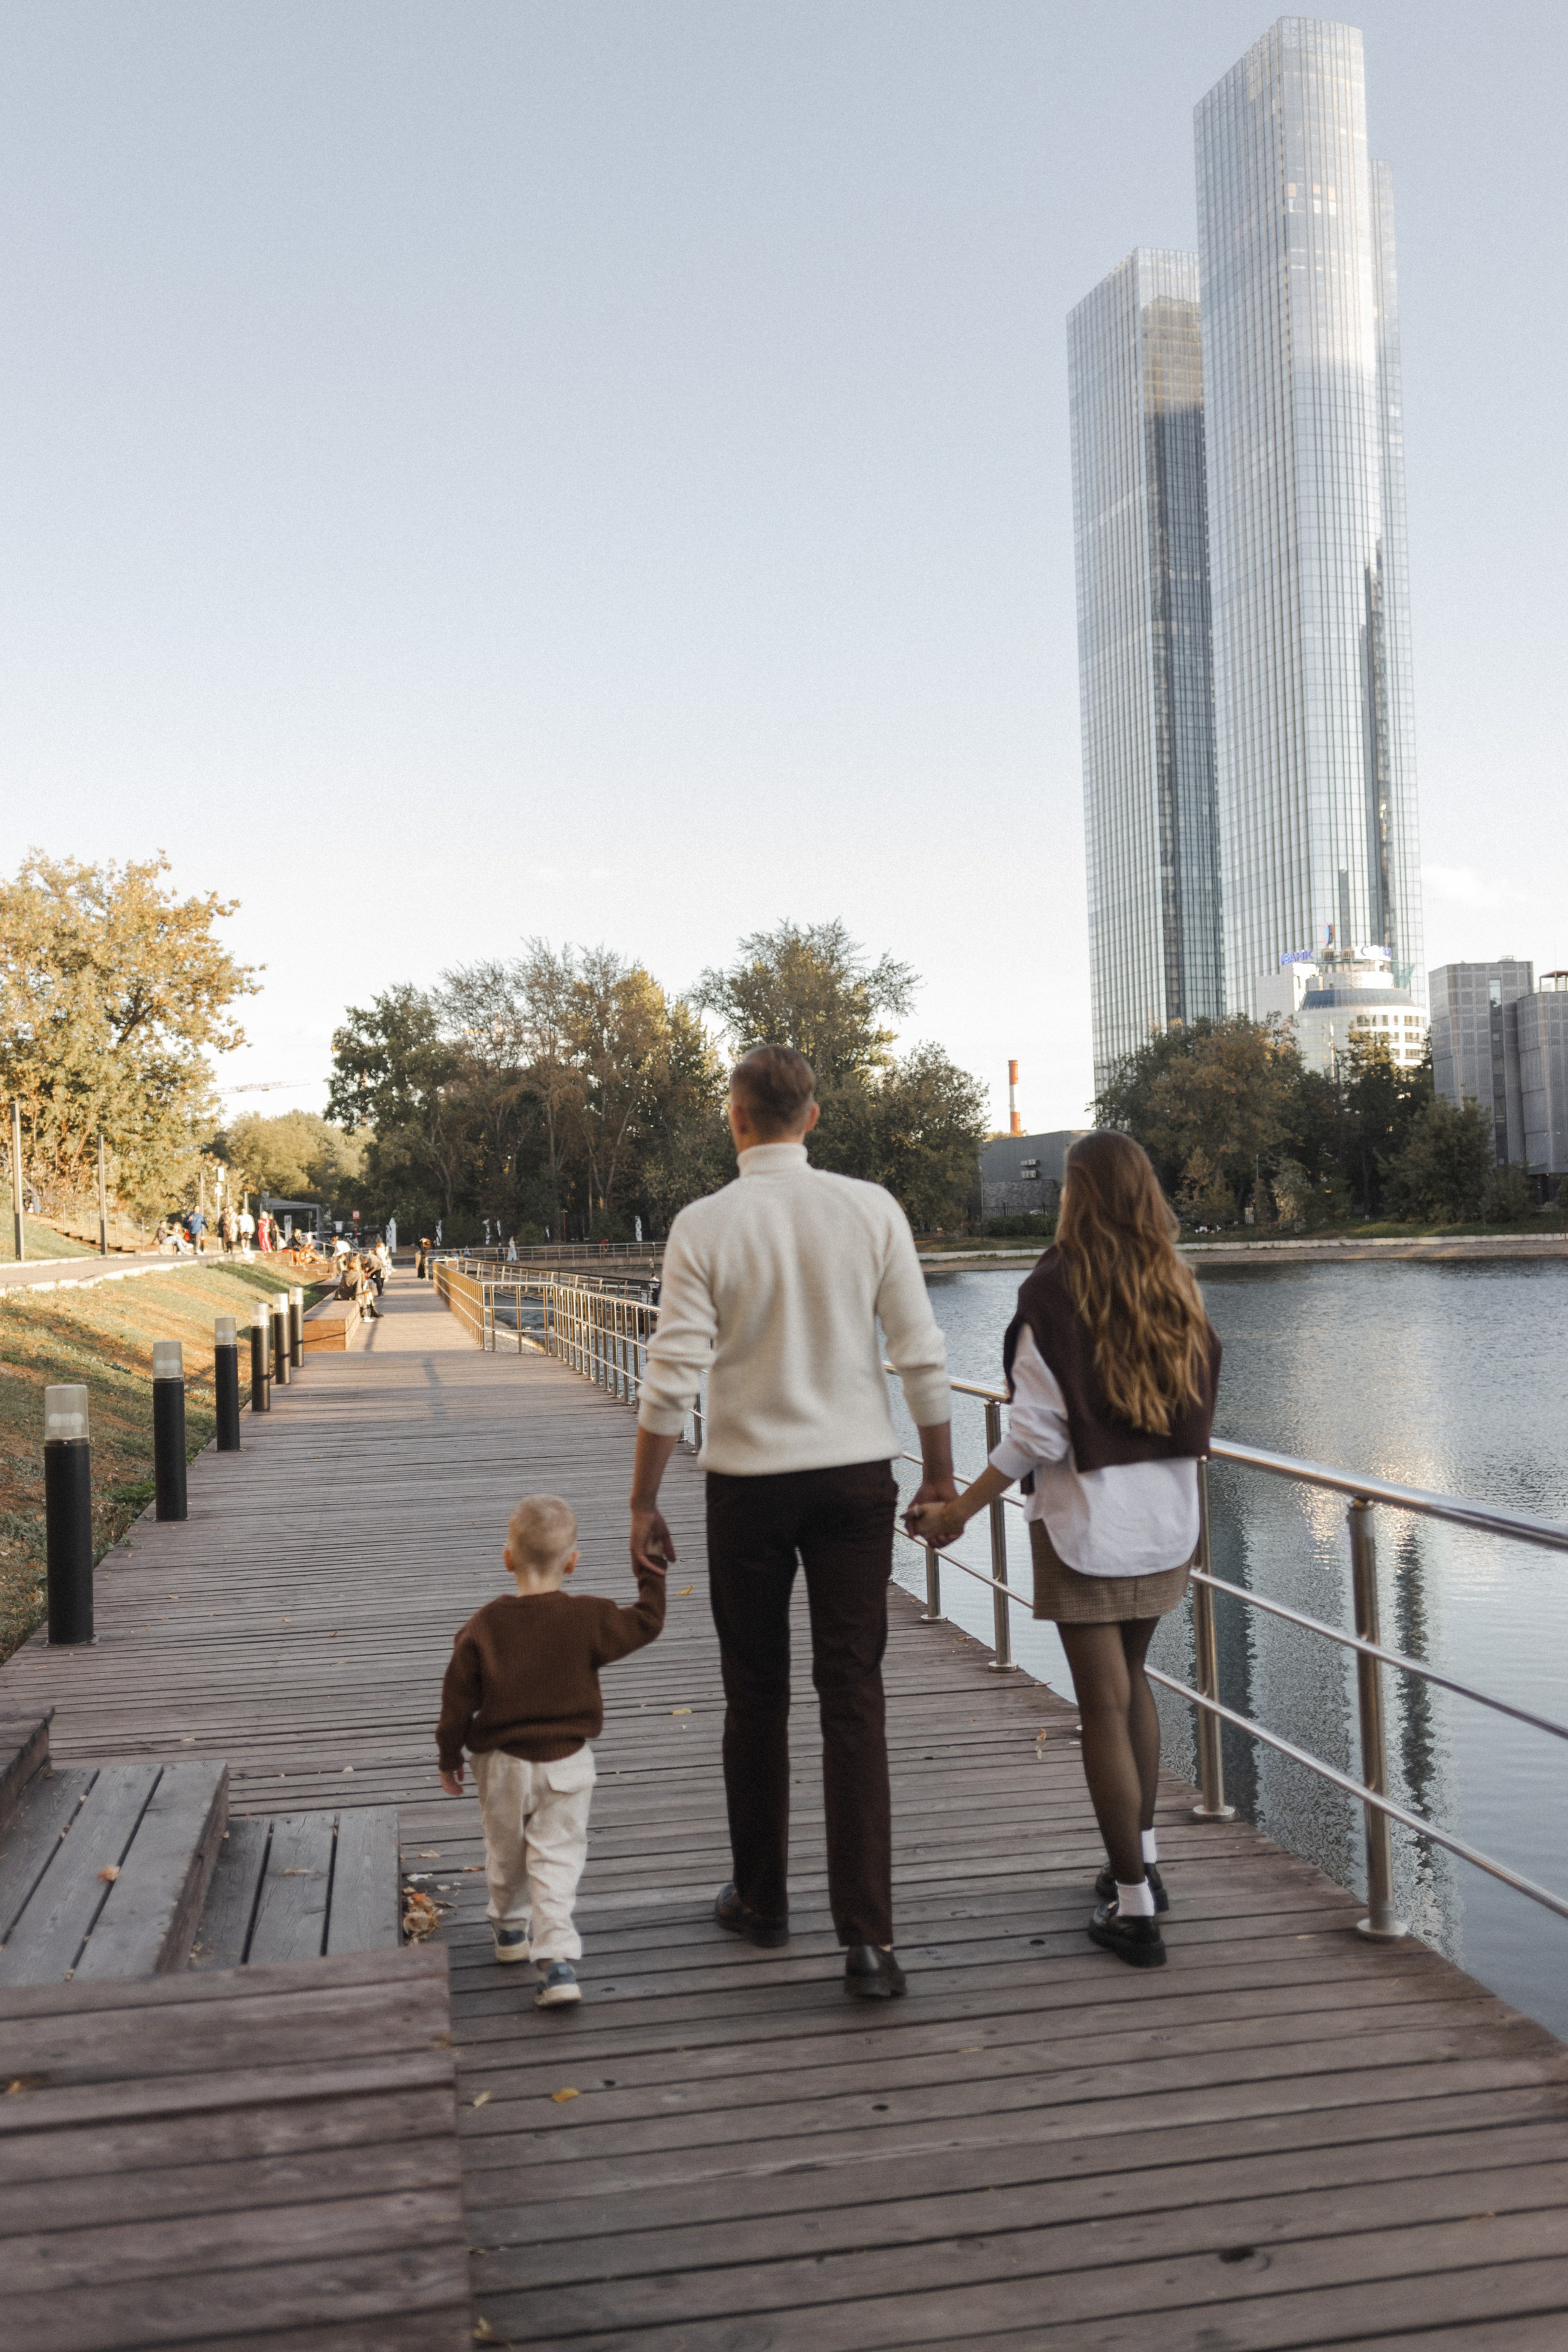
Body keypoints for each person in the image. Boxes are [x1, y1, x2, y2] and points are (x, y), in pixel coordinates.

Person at [629, 1044, 956, 2002]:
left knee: (756, 1692)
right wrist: (939, 1475)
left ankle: (764, 1899)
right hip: (857, 1479)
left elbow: (673, 1371)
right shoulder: (870, 1209)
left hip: (747, 1487)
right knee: (853, 1695)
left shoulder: (704, 1225)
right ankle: (869, 1942)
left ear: (736, 1121)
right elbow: (921, 1353)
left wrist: (643, 1498)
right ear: (812, 1118)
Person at [910, 1130, 1221, 1970]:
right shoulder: (1177, 1284)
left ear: (1075, 1198)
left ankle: (1131, 1909)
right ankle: (1143, 1863)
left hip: (1088, 1526)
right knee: (1134, 1690)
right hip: (1166, 1523)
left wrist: (960, 1510)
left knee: (1102, 1707)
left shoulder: (1052, 1291)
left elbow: (1034, 1435)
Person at [436, 1493, 666, 2006]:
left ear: (508, 1558)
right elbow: (647, 1622)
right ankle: (557, 1962)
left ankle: (511, 1931)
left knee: (506, 1855)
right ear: (573, 1562)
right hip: (567, 1762)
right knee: (557, 1859)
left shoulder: (484, 1626)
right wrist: (650, 1569)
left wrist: (449, 1756)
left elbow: (456, 1703)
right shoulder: (590, 1618)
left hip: (501, 1765)